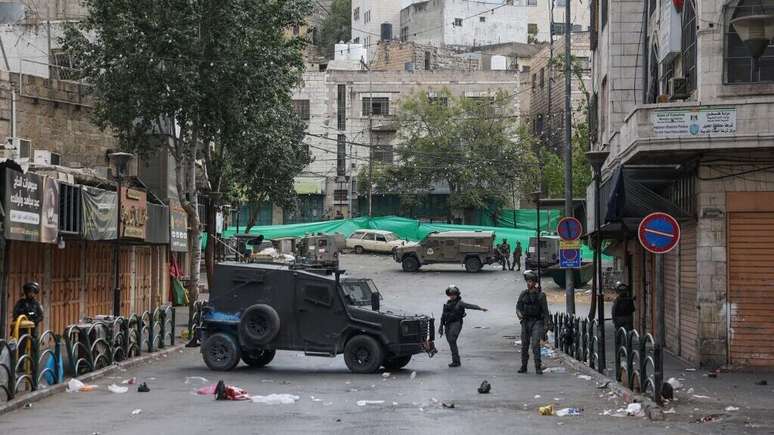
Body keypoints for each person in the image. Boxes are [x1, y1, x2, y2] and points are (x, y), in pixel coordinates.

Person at [438, 285, 488, 367]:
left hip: (456, 323)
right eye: (450, 295)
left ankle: (456, 361)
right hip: (448, 324)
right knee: (451, 342)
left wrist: (480, 308)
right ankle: (456, 361)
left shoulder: (460, 303)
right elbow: (443, 316)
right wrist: (441, 326)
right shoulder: (448, 303)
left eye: (454, 294)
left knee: (452, 340)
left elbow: (470, 306)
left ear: (457, 294)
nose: (452, 296)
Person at [516, 271, 551, 374]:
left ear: (535, 283)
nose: (528, 283)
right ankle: (524, 366)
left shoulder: (541, 296)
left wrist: (546, 325)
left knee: (535, 344)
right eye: (527, 281)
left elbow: (545, 311)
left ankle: (538, 366)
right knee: (524, 345)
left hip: (537, 321)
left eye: (530, 281)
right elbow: (518, 307)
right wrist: (520, 317)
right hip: (525, 321)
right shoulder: (523, 294)